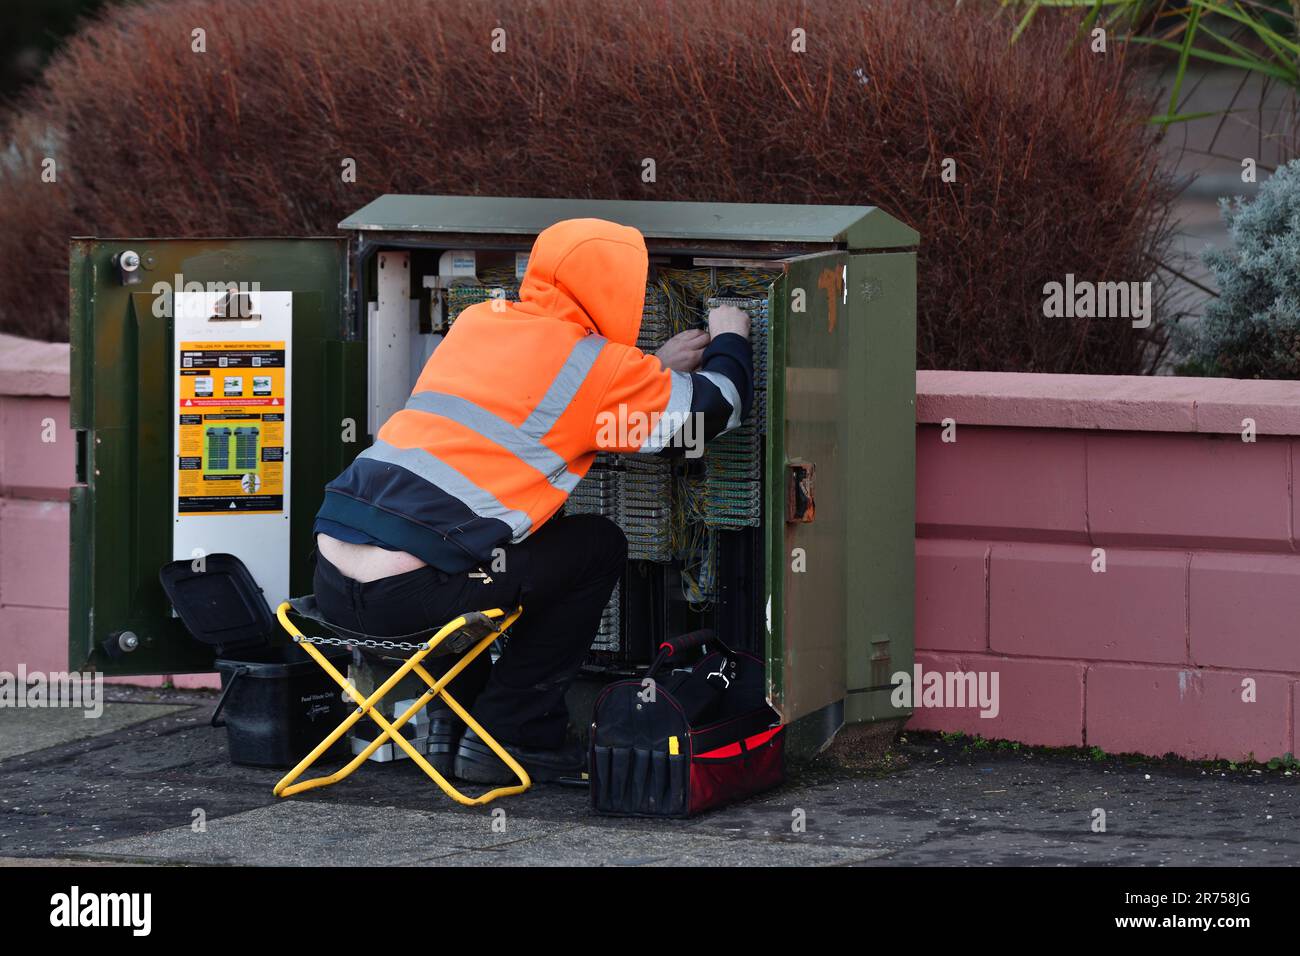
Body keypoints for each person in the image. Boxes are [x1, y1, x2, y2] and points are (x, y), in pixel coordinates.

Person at [311, 217, 752, 783]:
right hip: (409, 598)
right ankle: (512, 733)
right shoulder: (598, 366)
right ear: (618, 290)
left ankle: (451, 725)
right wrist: (731, 334)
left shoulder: (477, 322)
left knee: (500, 538)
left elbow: (532, 401)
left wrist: (651, 370)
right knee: (596, 545)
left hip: (333, 583)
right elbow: (716, 410)